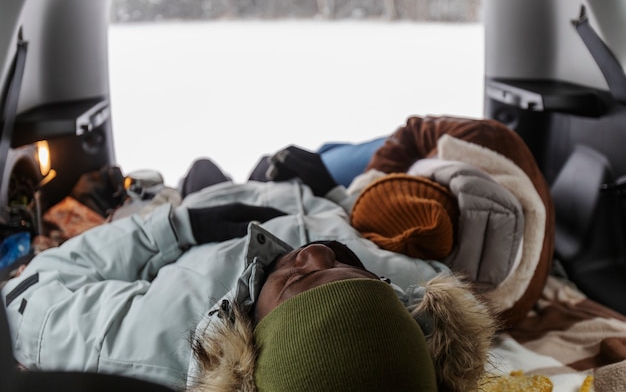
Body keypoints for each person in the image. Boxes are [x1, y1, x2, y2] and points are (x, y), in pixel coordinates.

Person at [1, 145, 496, 392]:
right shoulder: (410, 302)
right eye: (363, 276)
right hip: (298, 194)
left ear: (250, 356)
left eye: (299, 282)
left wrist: (178, 225)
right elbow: (436, 274)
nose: (318, 253)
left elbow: (27, 294)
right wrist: (337, 193)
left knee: (200, 168)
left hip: (205, 209)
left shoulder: (139, 346)